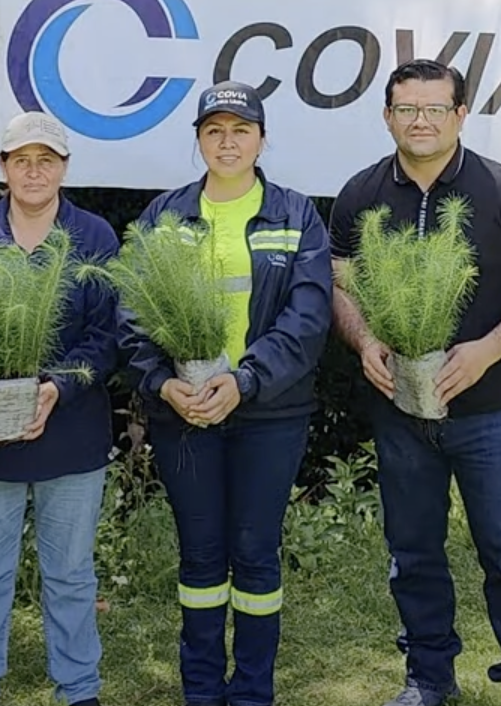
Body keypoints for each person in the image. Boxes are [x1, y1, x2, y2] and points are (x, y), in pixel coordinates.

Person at [329, 59, 501, 706]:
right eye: (407, 109)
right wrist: (366, 339)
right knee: (413, 553)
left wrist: (487, 351)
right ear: (387, 117)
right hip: (401, 414)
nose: (421, 120)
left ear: (461, 115)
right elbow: (340, 286)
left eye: (435, 108)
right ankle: (429, 679)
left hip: (486, 413)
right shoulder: (361, 195)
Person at [123, 82, 332, 706]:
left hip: (270, 413)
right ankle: (201, 691)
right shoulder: (165, 215)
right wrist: (162, 384)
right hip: (183, 415)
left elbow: (308, 318)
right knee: (202, 554)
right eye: (214, 130)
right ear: (198, 140)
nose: (228, 141)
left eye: (241, 129)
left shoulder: (297, 215)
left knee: (256, 553)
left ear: (262, 140)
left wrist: (244, 381)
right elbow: (131, 315)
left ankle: (253, 693)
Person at [0, 111, 122, 706]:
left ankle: (78, 687)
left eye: (46, 160)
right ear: (3, 168)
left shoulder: (94, 236)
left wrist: (55, 389)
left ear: (64, 167)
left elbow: (108, 338)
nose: (34, 171)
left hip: (72, 435)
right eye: (21, 160)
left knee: (70, 574)